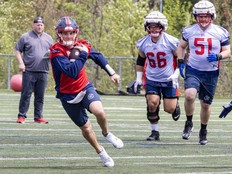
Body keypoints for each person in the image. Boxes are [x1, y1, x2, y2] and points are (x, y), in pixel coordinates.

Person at [49, 16, 124, 167]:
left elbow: (97, 56)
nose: (68, 36)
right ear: (59, 34)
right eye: (64, 33)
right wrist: (82, 55)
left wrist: (112, 73)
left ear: (75, 33)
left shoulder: (81, 44)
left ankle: (107, 133)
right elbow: (72, 71)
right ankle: (101, 152)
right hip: (68, 96)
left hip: (84, 87)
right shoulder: (56, 51)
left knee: (99, 112)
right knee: (86, 128)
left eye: (70, 33)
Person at [176, 0, 231, 145]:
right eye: (200, 16)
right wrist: (180, 62)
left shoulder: (220, 32)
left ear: (212, 16)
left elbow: (228, 52)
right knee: (189, 95)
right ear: (195, 17)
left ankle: (203, 130)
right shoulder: (189, 31)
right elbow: (181, 47)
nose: (203, 19)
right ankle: (188, 122)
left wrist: (219, 56)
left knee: (206, 105)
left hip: (211, 72)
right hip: (193, 69)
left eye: (206, 16)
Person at [134, 11, 181, 141]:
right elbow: (140, 60)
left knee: (169, 109)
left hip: (169, 78)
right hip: (152, 78)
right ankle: (154, 132)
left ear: (162, 26)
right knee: (152, 103)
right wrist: (138, 79)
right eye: (151, 26)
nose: (154, 29)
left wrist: (176, 74)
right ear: (147, 27)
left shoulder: (171, 41)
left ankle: (175, 106)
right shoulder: (143, 42)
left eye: (157, 26)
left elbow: (181, 59)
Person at [14, 16, 54, 124]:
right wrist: (21, 63)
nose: (39, 26)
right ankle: (21, 116)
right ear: (34, 25)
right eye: (37, 24)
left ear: (43, 26)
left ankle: (38, 117)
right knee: (26, 94)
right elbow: (17, 50)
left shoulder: (49, 38)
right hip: (29, 71)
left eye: (41, 24)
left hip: (44, 71)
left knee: (40, 96)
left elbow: (55, 52)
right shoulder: (26, 37)